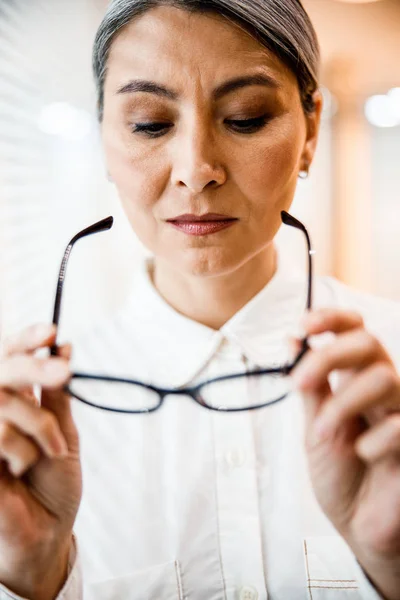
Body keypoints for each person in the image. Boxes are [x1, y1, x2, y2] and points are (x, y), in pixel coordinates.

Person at [0, 0, 400, 599]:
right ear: (105, 136)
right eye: (149, 124)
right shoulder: (38, 428)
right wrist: (30, 578)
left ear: (311, 130)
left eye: (245, 117)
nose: (196, 169)